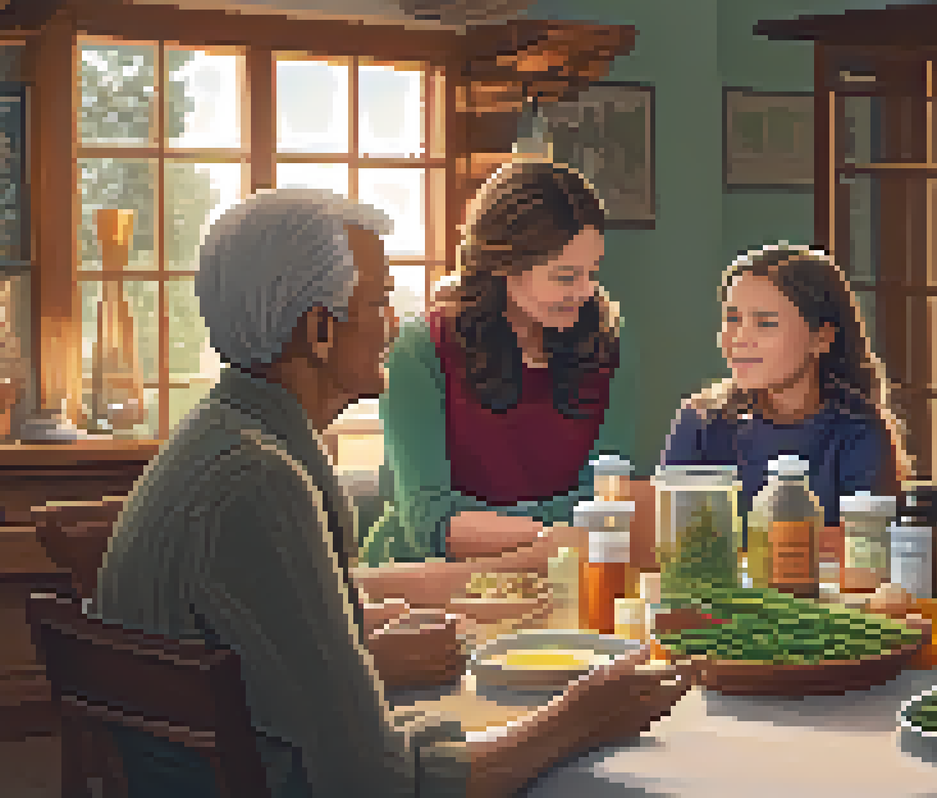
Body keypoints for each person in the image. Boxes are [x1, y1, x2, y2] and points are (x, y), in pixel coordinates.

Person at [94, 188, 696, 798]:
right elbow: (376, 783)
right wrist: (578, 720)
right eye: (381, 299)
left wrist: (362, 650)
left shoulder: (221, 433)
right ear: (320, 331)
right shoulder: (261, 483)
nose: (394, 321)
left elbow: (257, 671)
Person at [359, 159, 629, 566]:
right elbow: (430, 523)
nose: (586, 291)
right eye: (565, 276)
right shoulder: (420, 350)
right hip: (425, 588)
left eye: (593, 272)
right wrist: (554, 533)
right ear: (503, 263)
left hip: (554, 578)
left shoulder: (600, 342)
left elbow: (609, 491)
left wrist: (513, 532)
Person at [661, 243, 908, 527]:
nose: (739, 338)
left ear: (822, 338)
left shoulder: (858, 431)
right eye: (732, 319)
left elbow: (867, 548)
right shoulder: (701, 421)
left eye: (765, 323)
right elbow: (675, 539)